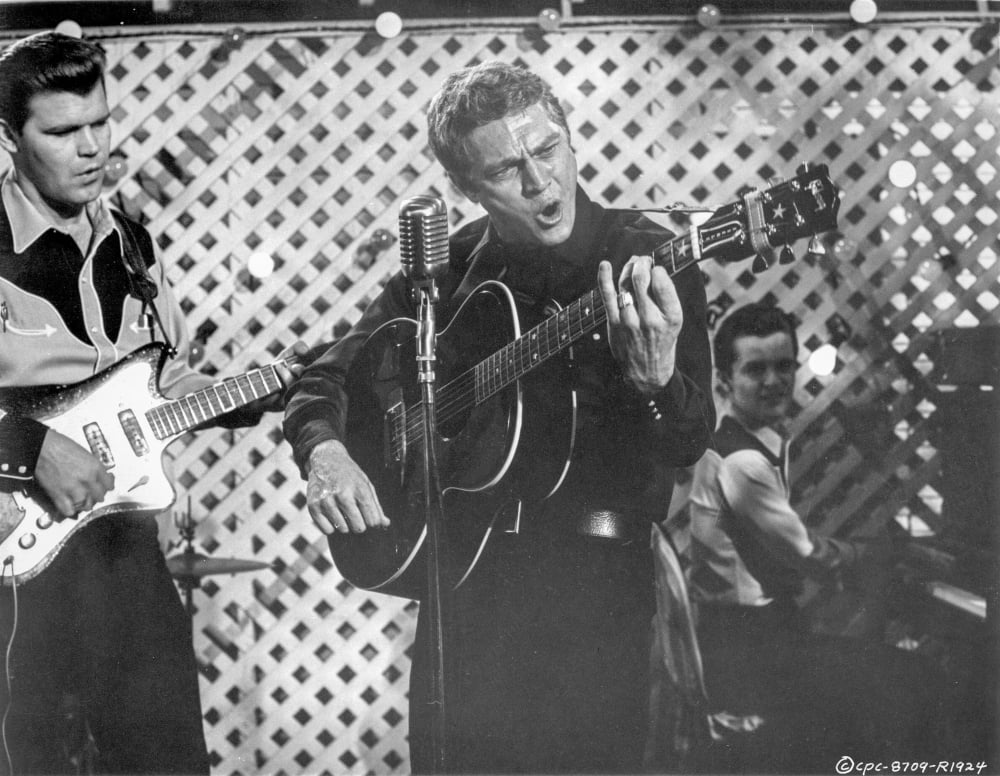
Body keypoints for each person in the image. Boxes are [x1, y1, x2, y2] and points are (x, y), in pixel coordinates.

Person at [284, 60, 715, 774]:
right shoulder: (442, 277)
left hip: (596, 592)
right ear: (466, 189)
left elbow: (691, 437)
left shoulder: (643, 256)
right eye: (507, 170)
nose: (541, 183)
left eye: (548, 151)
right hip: (466, 594)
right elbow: (326, 377)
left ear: (571, 140)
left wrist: (656, 380)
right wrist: (325, 449)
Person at [0, 32, 303, 774]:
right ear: (9, 137)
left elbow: (162, 382)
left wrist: (231, 398)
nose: (92, 147)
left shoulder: (132, 240)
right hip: (16, 566)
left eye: (101, 122)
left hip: (127, 552)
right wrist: (29, 446)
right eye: (64, 132)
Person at [686, 302, 945, 773]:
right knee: (911, 679)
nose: (773, 381)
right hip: (748, 654)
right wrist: (885, 558)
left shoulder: (750, 442)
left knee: (887, 678)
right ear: (725, 382)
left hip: (753, 637)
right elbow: (807, 555)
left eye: (784, 366)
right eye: (755, 369)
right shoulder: (742, 463)